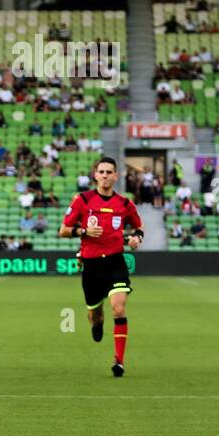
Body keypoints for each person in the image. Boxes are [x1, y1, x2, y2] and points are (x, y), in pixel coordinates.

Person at [59, 157, 143, 377]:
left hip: (116, 261)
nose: (105, 176)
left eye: (109, 172)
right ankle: (97, 323)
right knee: (96, 315)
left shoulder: (125, 204)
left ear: (116, 176)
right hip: (92, 265)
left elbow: (138, 227)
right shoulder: (82, 200)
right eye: (101, 172)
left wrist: (136, 239)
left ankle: (119, 362)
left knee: (119, 307)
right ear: (95, 175)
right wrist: (83, 232)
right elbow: (63, 230)